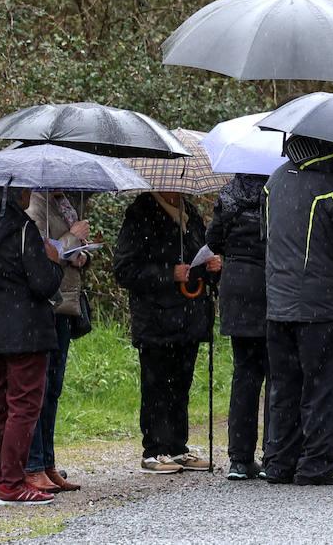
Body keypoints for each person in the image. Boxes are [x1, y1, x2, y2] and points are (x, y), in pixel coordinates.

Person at [261, 137, 333, 486]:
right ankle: (318, 464)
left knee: (285, 388)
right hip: (322, 307)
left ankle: (279, 462)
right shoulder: (332, 186)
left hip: (278, 305)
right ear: (329, 147)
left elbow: (266, 235)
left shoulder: (274, 181)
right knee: (327, 385)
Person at [0, 187, 64, 506]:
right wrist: (54, 261)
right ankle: (12, 483)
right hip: (25, 329)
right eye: (27, 189)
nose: (30, 194)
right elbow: (43, 283)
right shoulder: (23, 228)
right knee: (23, 404)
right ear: (17, 192)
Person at [113, 192, 218, 474]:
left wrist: (212, 268)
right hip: (155, 317)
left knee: (181, 384)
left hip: (189, 315)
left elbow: (198, 257)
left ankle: (177, 447)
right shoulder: (141, 213)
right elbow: (124, 269)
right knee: (156, 385)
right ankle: (154, 450)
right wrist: (167, 273)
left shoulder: (191, 213)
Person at [23, 191, 90, 495]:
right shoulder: (35, 206)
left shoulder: (66, 205)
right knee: (40, 387)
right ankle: (34, 464)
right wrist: (72, 238)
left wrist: (82, 252)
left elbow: (68, 251)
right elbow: (41, 252)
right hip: (47, 303)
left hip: (66, 304)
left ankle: (48, 463)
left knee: (54, 387)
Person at [205, 173, 268, 480]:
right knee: (278, 374)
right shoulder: (277, 190)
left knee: (245, 374)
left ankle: (240, 458)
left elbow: (213, 240)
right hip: (271, 284)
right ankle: (275, 452)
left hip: (237, 286)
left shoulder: (229, 194)